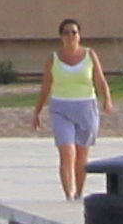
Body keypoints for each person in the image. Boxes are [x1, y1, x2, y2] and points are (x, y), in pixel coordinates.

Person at [30, 13, 114, 201]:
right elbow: (45, 87)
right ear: (61, 36)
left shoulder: (90, 55)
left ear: (79, 35)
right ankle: (68, 194)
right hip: (61, 107)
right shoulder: (53, 59)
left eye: (74, 32)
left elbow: (100, 80)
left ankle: (79, 193)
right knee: (67, 152)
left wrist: (106, 99)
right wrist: (37, 112)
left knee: (82, 155)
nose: (70, 36)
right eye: (66, 33)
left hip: (86, 107)